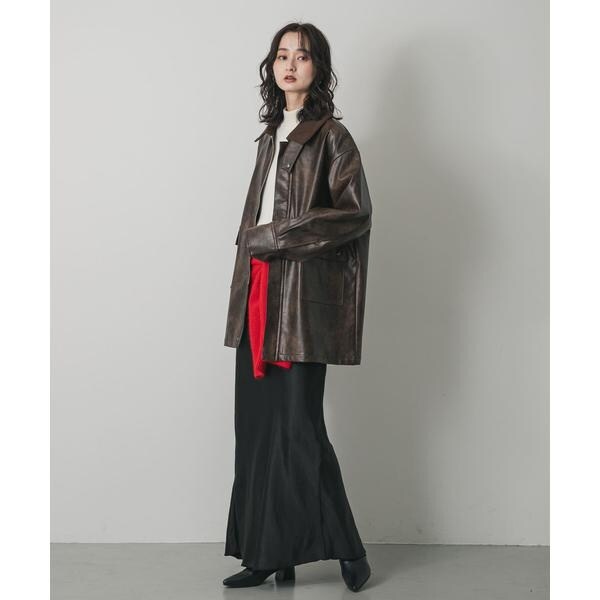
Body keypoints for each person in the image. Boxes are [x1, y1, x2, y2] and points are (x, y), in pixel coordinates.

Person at [222, 22, 373, 592]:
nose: (290, 65)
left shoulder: (332, 137)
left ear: (318, 67)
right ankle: (268, 554)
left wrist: (275, 235)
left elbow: (355, 214)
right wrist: (256, 247)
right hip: (257, 294)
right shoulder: (269, 137)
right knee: (257, 429)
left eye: (302, 56)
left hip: (299, 303)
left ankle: (350, 549)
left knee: (299, 429)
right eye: (281, 55)